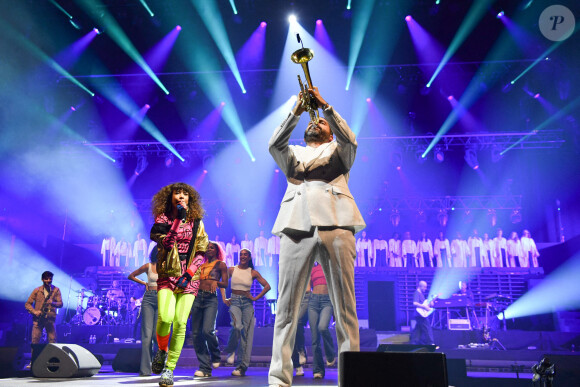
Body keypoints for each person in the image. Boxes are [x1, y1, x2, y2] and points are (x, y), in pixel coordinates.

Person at [268, 85, 365, 387]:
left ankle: (351, 378)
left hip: (337, 223)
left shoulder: (339, 150)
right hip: (296, 224)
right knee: (286, 307)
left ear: (330, 131)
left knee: (345, 306)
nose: (315, 123)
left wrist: (326, 107)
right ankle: (279, 379)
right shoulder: (293, 153)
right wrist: (297, 111)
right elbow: (274, 144)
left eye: (320, 122)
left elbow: (350, 138)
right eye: (313, 121)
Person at [149, 182, 208, 387]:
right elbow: (166, 243)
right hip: (167, 272)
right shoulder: (163, 219)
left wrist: (190, 273)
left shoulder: (197, 222)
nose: (181, 196)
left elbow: (202, 251)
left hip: (190, 275)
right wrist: (178, 221)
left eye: (185, 194)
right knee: (165, 317)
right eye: (177, 193)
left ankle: (169, 369)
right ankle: (162, 350)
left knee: (181, 323)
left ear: (190, 199)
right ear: (170, 197)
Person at [222, 248, 271, 376]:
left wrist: (255, 298)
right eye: (241, 254)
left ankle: (241, 367)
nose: (243, 256)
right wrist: (224, 298)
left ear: (249, 258)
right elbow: (223, 283)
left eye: (245, 255)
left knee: (246, 336)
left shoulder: (253, 272)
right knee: (237, 326)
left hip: (247, 304)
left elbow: (267, 286)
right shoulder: (232, 269)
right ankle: (231, 349)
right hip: (235, 302)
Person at [191, 241, 228, 378]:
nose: (209, 249)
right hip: (196, 298)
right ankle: (204, 367)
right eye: (207, 247)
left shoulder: (220, 264)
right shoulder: (201, 265)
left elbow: (225, 283)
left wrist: (215, 282)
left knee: (207, 330)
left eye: (212, 247)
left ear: (217, 250)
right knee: (195, 334)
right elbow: (194, 283)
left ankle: (216, 354)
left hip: (210, 299)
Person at [128, 247, 159, 376]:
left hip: (163, 299)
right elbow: (131, 276)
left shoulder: (169, 267)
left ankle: (159, 364)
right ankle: (145, 369)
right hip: (149, 298)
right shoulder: (149, 266)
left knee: (156, 336)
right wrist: (144, 282)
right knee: (146, 336)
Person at [25, 271, 63, 361]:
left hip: (50, 319)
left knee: (52, 340)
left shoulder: (56, 290)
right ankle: (34, 361)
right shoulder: (37, 290)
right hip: (38, 319)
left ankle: (52, 360)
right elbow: (27, 304)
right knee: (35, 340)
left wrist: (52, 303)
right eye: (46, 279)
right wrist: (34, 311)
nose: (49, 280)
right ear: (42, 279)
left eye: (50, 279)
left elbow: (61, 304)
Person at [308, 263, 336, 379]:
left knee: (323, 327)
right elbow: (308, 288)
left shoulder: (331, 267)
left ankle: (330, 354)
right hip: (313, 302)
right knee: (315, 339)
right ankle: (318, 370)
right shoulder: (312, 269)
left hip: (327, 300)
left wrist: (335, 310)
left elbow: (335, 288)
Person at [291, 290, 310, 377]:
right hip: (292, 297)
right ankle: (297, 365)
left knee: (297, 323)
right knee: (292, 332)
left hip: (306, 297)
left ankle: (301, 349)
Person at [410, 281, 434, 345]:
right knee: (427, 328)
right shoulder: (417, 293)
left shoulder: (421, 294)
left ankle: (413, 343)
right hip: (419, 314)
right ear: (421, 286)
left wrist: (430, 304)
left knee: (418, 330)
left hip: (420, 314)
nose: (425, 288)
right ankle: (431, 343)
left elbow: (425, 305)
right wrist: (424, 306)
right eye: (425, 287)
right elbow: (415, 303)